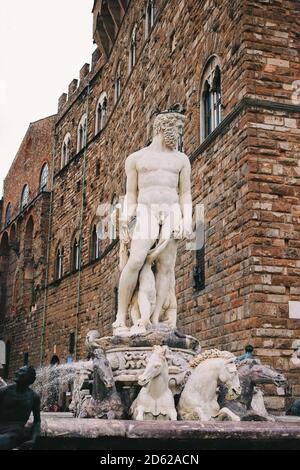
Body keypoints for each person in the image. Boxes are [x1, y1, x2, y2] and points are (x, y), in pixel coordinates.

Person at [113, 109, 192, 334]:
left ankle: (156, 318)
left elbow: (185, 193)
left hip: (172, 211)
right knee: (136, 260)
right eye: (177, 129)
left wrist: (187, 219)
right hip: (145, 211)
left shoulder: (181, 160)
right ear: (163, 127)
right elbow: (131, 194)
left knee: (166, 267)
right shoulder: (136, 158)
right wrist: (126, 221)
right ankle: (120, 316)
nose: (179, 134)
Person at [0, 365, 41, 450]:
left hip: (15, 432)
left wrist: (34, 439)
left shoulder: (33, 397)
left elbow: (37, 421)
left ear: (30, 378)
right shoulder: (3, 391)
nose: (16, 373)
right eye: (18, 370)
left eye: (21, 371)